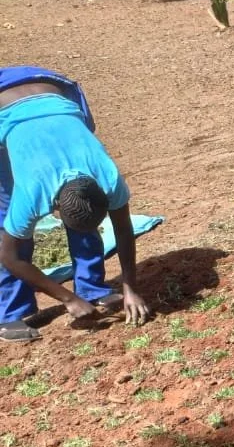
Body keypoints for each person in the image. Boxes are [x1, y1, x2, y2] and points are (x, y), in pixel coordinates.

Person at [0, 67, 149, 342]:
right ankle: (10, 314)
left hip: (54, 90)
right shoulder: (33, 191)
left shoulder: (108, 178)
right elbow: (8, 256)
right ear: (53, 205)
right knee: (5, 209)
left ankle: (91, 288)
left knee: (81, 212)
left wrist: (131, 287)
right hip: (4, 104)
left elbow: (124, 231)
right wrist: (66, 298)